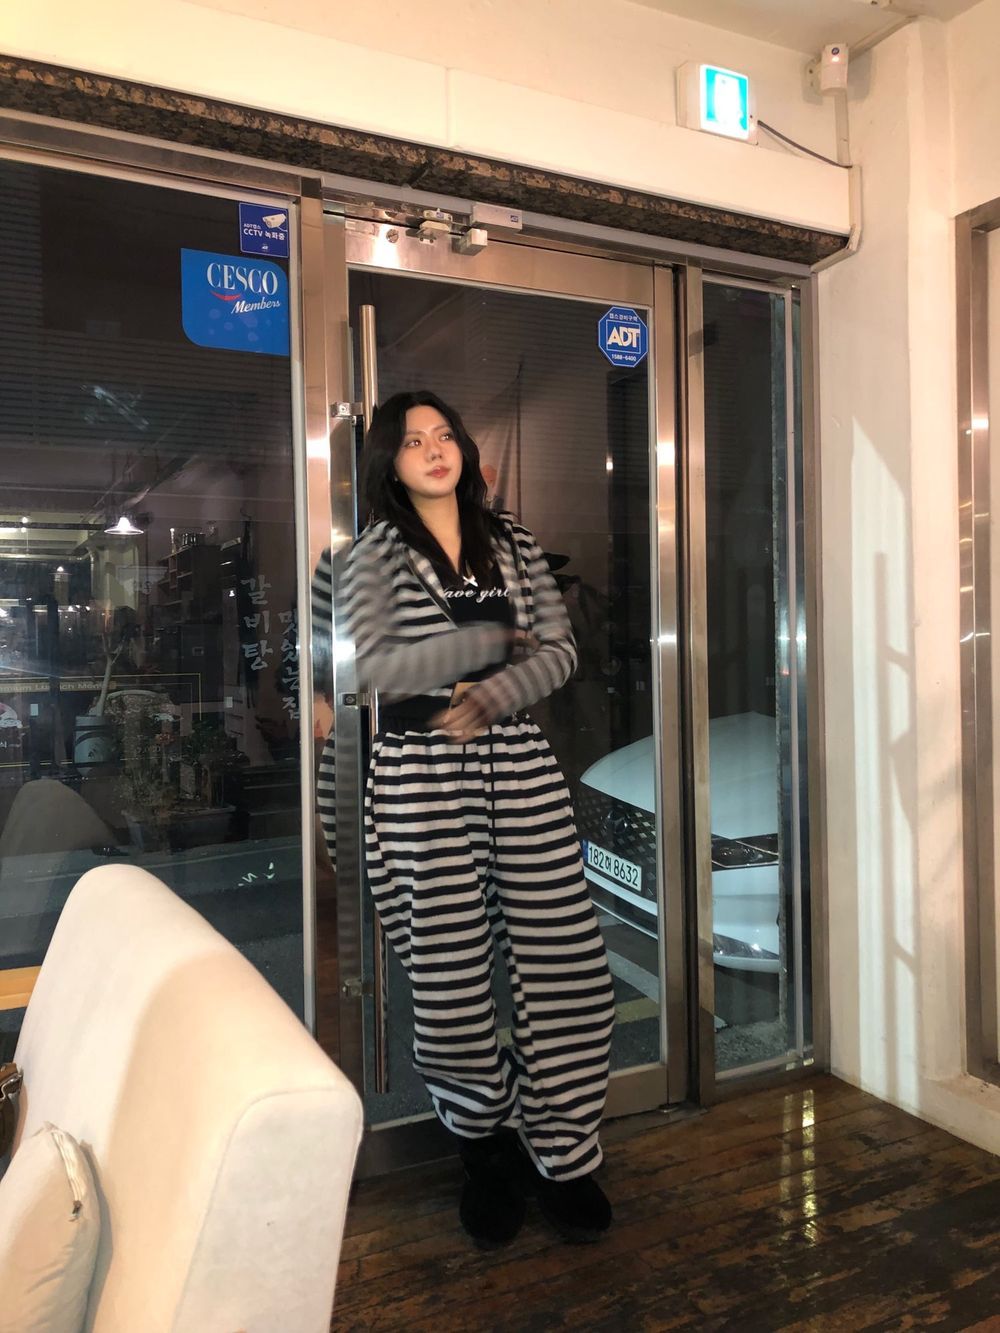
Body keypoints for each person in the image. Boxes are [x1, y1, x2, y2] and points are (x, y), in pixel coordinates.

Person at [314, 390, 616, 1248]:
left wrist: (489, 691)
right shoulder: (360, 559)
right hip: (416, 773)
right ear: (389, 460)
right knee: (448, 980)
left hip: (517, 761)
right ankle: (484, 1145)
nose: (434, 449)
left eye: (444, 434)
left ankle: (564, 1151)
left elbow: (559, 649)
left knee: (567, 963)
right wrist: (483, 648)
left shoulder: (512, 540)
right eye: (413, 440)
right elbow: (364, 670)